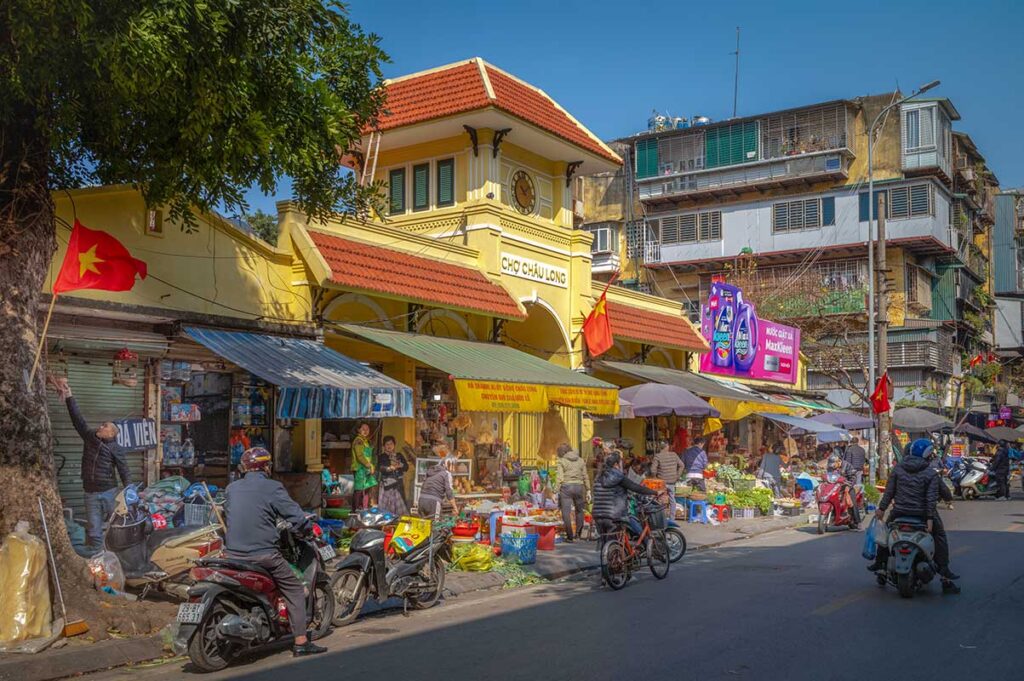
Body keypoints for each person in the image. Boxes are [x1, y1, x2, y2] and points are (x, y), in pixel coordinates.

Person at [224, 448, 326, 656]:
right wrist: (307, 529)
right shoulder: (273, 488)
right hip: (263, 555)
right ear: (266, 467)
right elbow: (296, 516)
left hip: (232, 555)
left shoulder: (231, 489)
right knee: (295, 589)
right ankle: (300, 642)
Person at [869, 438, 960, 595]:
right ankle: (944, 574)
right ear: (927, 455)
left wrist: (881, 509)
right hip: (922, 515)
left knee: (885, 533)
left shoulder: (897, 470)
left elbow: (888, 492)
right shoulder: (930, 473)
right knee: (940, 536)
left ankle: (880, 564)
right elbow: (931, 498)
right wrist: (930, 519)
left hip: (899, 513)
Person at [51, 377, 131, 553]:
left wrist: (129, 490)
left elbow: (124, 469)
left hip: (110, 491)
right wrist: (69, 396)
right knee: (94, 526)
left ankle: (117, 551)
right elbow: (77, 419)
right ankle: (96, 554)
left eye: (105, 426)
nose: (100, 426)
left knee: (115, 523)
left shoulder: (116, 448)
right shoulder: (90, 437)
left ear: (111, 433)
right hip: (90, 491)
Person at [591, 452, 658, 544]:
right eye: (620, 463)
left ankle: (609, 554)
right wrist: (655, 492)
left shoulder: (598, 476)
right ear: (616, 464)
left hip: (597, 514)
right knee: (616, 540)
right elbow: (636, 487)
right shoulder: (618, 476)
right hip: (613, 515)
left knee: (606, 543)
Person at [556, 448, 590, 542]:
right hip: (579, 487)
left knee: (566, 512)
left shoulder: (562, 461)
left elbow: (559, 477)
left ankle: (570, 536)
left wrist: (556, 490)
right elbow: (585, 475)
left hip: (566, 487)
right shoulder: (581, 460)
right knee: (580, 511)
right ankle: (578, 534)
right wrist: (588, 489)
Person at [649, 439, 683, 519]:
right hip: (672, 481)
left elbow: (652, 470)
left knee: (660, 499)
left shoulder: (657, 456)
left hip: (662, 482)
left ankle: (661, 517)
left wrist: (655, 477)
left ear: (660, 447)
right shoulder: (674, 455)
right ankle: (672, 518)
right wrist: (677, 476)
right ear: (667, 446)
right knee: (672, 499)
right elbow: (682, 465)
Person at [376, 436, 409, 517]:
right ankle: (386, 522)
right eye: (387, 444)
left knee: (400, 506)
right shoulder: (381, 456)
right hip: (387, 484)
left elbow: (406, 467)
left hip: (398, 484)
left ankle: (398, 523)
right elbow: (379, 468)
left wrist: (400, 465)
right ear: (384, 446)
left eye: (391, 444)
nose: (389, 446)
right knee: (386, 507)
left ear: (394, 445)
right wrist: (389, 468)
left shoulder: (399, 455)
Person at [826, 453, 860, 526]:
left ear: (838, 461)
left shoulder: (847, 465)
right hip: (834, 486)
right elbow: (827, 475)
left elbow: (853, 478)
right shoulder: (830, 467)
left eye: (834, 464)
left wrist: (848, 486)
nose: (833, 467)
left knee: (851, 501)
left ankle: (857, 522)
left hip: (847, 485)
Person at [351, 422, 377, 510]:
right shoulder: (358, 440)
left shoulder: (365, 441)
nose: (365, 431)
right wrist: (369, 465)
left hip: (366, 469)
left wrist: (371, 466)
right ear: (358, 430)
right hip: (359, 469)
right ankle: (355, 510)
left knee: (367, 489)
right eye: (363, 429)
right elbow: (360, 456)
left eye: (367, 429)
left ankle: (364, 507)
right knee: (359, 490)